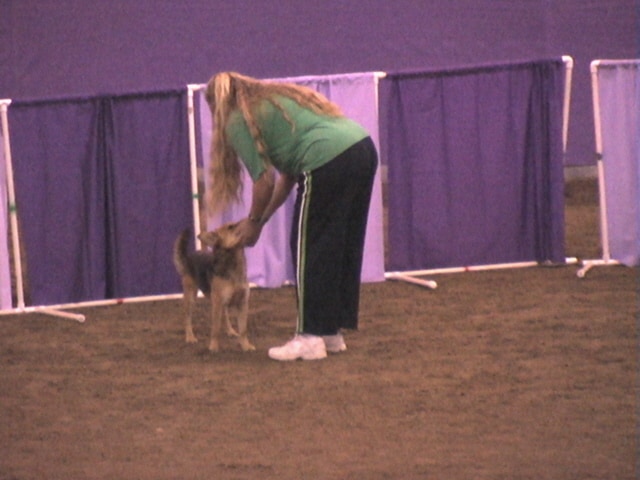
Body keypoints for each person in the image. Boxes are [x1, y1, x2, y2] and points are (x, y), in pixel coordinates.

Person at [204, 71, 378, 361]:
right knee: (339, 246)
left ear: (218, 105)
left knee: (306, 247)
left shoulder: (237, 119)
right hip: (362, 148)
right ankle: (330, 332)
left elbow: (264, 181)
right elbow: (286, 178)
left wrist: (253, 221)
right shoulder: (274, 101)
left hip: (326, 158)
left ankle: (309, 336)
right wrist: (260, 222)